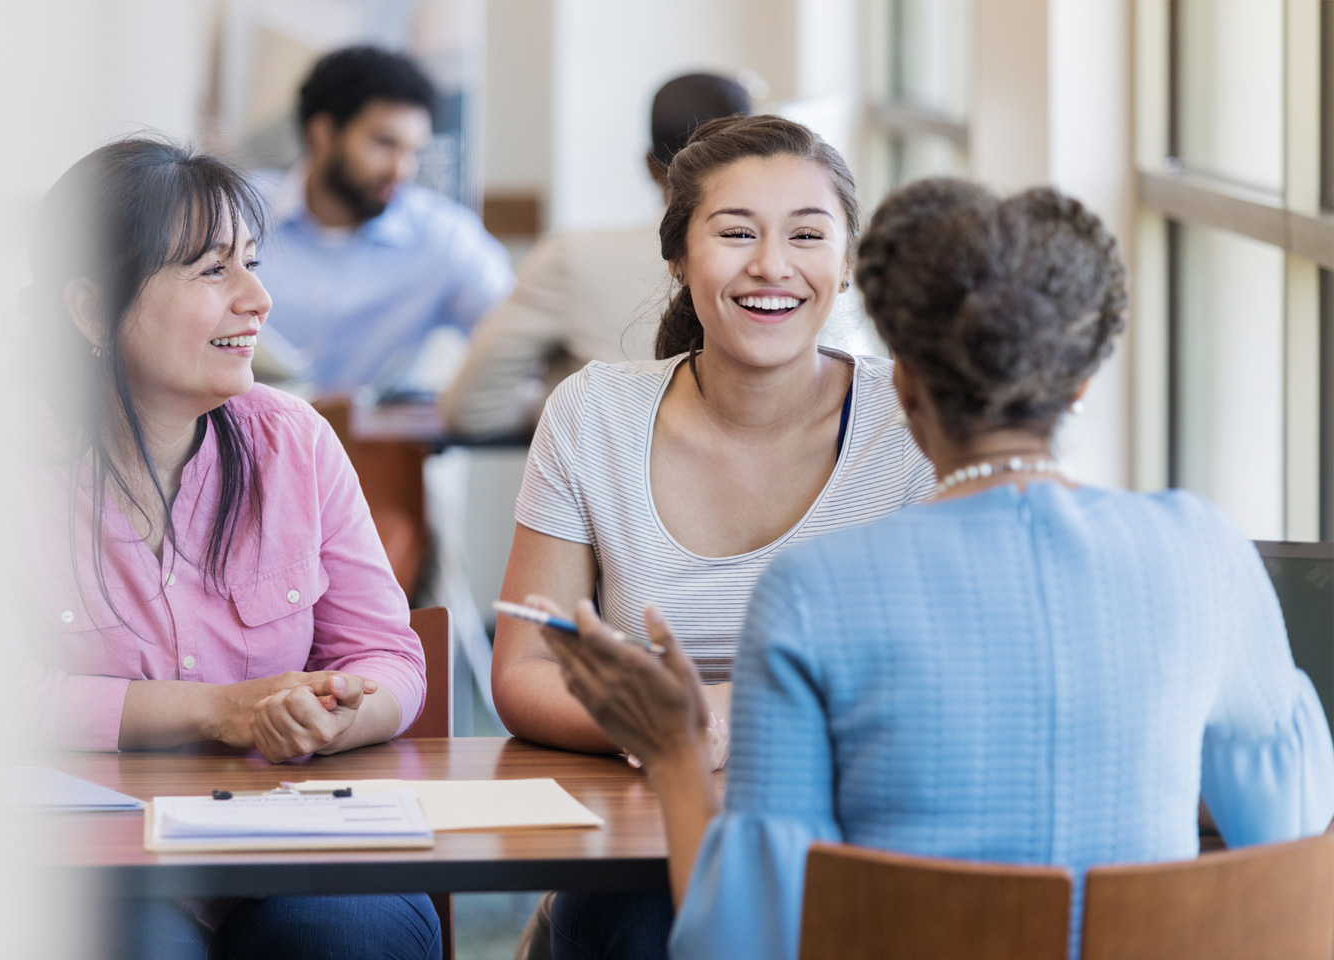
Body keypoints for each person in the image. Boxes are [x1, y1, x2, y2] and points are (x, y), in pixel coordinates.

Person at [532, 179, 1334, 960]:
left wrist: (676, 752)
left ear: (904, 385)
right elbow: (1291, 830)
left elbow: (742, 941)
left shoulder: (815, 593)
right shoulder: (1204, 549)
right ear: (1082, 381)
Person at [490, 114, 934, 960]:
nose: (772, 266)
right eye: (736, 233)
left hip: (851, 828)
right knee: (636, 919)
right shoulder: (594, 413)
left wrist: (721, 719)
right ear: (677, 258)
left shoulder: (912, 422)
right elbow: (520, 668)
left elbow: (925, 675)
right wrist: (666, 732)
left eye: (808, 235)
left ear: (845, 268)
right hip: (639, 842)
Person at [24, 137, 439, 960]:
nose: (258, 300)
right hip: (98, 863)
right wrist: (221, 709)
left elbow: (390, 656)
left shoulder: (294, 441)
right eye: (214, 272)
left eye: (251, 264)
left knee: (352, 935)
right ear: (87, 305)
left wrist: (333, 717)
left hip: (294, 843)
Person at [440, 73, 751, 436]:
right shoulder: (794, 271)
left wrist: (576, 409)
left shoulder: (572, 259)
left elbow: (472, 408)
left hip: (611, 488)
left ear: (650, 166)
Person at [253, 45, 513, 396]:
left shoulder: (442, 235)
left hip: (380, 448)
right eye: (385, 144)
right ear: (323, 134)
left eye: (413, 151)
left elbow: (515, 333)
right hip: (241, 442)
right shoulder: (234, 213)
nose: (401, 170)